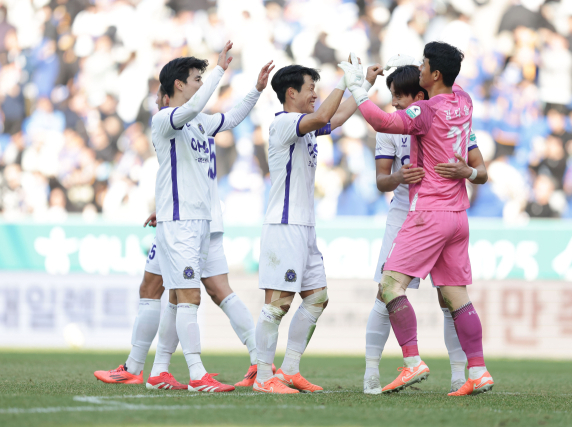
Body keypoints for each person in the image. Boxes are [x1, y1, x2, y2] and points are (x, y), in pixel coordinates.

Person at [94, 58, 276, 390]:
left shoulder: (197, 123)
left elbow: (231, 118)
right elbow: (192, 110)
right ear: (179, 85)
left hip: (192, 219)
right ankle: (189, 373)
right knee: (177, 292)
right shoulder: (165, 118)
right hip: (180, 222)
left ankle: (154, 369)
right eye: (196, 78)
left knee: (175, 293)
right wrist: (220, 71)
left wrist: (256, 90)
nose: (200, 83)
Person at [339, 42, 492, 396]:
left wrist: (358, 87)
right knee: (457, 298)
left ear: (434, 74)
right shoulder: (464, 101)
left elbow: (382, 120)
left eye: (424, 64)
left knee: (390, 285)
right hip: (458, 215)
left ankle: (412, 362)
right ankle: (478, 370)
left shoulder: (424, 110)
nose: (421, 68)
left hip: (429, 213)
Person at [253, 54, 384, 394]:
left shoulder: (307, 125)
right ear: (291, 93)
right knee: (277, 305)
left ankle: (289, 370)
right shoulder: (284, 123)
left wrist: (362, 84)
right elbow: (326, 113)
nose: (315, 94)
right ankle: (264, 378)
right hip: (284, 225)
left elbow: (336, 118)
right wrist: (344, 79)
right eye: (311, 88)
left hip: (305, 227)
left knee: (317, 298)